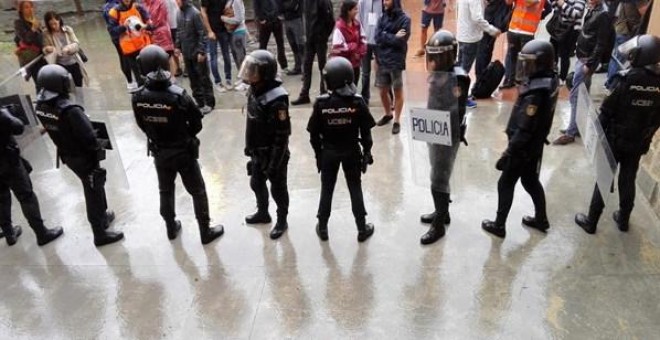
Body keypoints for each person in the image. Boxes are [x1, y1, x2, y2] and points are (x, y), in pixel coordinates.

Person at [132, 45, 225, 244]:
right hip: (183, 151)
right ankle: (204, 231)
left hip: (160, 151)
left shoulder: (138, 97)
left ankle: (170, 228)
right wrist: (184, 136)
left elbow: (142, 124)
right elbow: (197, 123)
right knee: (197, 191)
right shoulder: (178, 95)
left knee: (165, 190)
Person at [575, 34, 660, 234]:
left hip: (615, 139)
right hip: (638, 140)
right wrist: (646, 136)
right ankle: (623, 220)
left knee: (604, 178)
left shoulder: (625, 80)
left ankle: (591, 222)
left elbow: (606, 112)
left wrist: (596, 135)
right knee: (628, 178)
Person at [35, 64, 124, 247]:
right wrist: (99, 145)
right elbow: (90, 137)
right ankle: (99, 233)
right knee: (93, 191)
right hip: (84, 157)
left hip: (68, 155)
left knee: (94, 187)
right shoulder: (70, 110)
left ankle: (103, 216)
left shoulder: (41, 106)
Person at [482, 40, 559, 238]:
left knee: (505, 183)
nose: (526, 67)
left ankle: (499, 225)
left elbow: (525, 128)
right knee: (531, 181)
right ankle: (541, 219)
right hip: (534, 146)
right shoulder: (550, 80)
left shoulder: (535, 93)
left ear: (541, 64)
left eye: (531, 63)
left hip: (522, 147)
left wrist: (510, 152)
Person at [307, 56, 376, 242]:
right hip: (351, 151)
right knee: (355, 188)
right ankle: (362, 229)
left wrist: (318, 155)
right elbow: (367, 133)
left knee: (327, 189)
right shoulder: (357, 102)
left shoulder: (321, 103)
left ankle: (322, 228)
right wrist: (367, 152)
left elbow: (313, 134)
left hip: (329, 153)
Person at [418, 30, 470, 245]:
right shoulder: (440, 73)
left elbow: (453, 110)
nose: (435, 60)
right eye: (433, 56)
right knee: (437, 173)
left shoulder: (457, 77)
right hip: (435, 130)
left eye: (440, 56)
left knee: (438, 179)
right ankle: (443, 212)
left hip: (447, 133)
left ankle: (438, 226)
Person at [241, 50, 291, 240]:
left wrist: (273, 164)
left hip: (273, 153)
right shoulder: (254, 88)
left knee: (278, 189)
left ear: (266, 73)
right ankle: (263, 212)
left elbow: (282, 135)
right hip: (257, 151)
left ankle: (281, 220)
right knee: (256, 183)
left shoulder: (277, 99)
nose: (249, 73)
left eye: (253, 70)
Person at [0, 105, 63, 246]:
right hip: (7, 162)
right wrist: (7, 114)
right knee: (26, 197)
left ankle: (9, 233)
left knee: (2, 197)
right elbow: (18, 127)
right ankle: (42, 233)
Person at [552, 0, 611, 145]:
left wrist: (590, 63)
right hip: (583, 56)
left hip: (586, 60)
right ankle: (576, 126)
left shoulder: (603, 14)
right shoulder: (594, 9)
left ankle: (571, 133)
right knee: (580, 95)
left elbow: (601, 43)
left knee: (576, 95)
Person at [373, 0, 411, 135]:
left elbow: (401, 41)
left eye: (387, 0)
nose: (384, 2)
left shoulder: (405, 19)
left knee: (397, 91)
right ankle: (388, 114)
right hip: (382, 60)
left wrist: (385, 36)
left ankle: (397, 120)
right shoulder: (382, 17)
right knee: (383, 91)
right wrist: (392, 36)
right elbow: (377, 36)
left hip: (396, 62)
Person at [456, 0, 501, 108]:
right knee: (464, 72)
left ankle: (456, 95)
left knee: (459, 68)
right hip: (470, 39)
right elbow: (477, 18)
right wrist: (491, 30)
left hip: (462, 35)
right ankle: (461, 99)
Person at [290, 0, 335, 105]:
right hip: (309, 38)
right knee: (306, 66)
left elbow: (330, 21)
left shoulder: (324, 2)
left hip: (319, 38)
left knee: (322, 66)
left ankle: (323, 91)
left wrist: (324, 36)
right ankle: (304, 94)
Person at [499, 0, 551, 89]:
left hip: (514, 28)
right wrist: (541, 15)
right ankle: (523, 81)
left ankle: (509, 80)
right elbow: (549, 8)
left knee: (512, 56)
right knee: (527, 59)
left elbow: (508, 2)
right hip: (528, 31)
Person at [175, 0, 215, 115]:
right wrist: (177, 46)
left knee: (204, 79)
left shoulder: (195, 13)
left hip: (197, 54)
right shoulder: (178, 13)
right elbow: (179, 32)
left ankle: (209, 103)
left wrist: (202, 52)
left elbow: (202, 33)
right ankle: (200, 102)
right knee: (193, 80)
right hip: (187, 53)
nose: (176, 2)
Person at [42, 11, 89, 103]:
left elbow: (76, 43)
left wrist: (69, 48)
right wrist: (48, 49)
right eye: (51, 24)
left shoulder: (68, 30)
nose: (54, 26)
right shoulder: (46, 34)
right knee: (66, 89)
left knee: (78, 87)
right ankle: (70, 108)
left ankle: (81, 107)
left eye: (55, 23)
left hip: (74, 62)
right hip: (60, 65)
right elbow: (44, 49)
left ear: (59, 20)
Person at [107, 0, 153, 89]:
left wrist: (145, 26)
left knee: (147, 71)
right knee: (137, 74)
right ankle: (141, 91)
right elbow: (112, 31)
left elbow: (150, 24)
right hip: (129, 48)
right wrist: (123, 27)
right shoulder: (114, 12)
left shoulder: (138, 7)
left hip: (143, 45)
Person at [604, 0, 648, 89]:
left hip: (622, 29)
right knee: (619, 59)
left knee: (616, 58)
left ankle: (610, 83)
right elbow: (644, 11)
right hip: (626, 31)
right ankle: (612, 84)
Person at [474, 0, 514, 82]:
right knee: (484, 49)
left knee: (486, 49)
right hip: (493, 17)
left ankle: (482, 77)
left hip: (494, 17)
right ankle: (481, 78)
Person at [330, 0, 367, 86]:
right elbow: (337, 47)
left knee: (354, 86)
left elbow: (363, 40)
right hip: (343, 65)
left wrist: (359, 53)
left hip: (355, 64)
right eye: (355, 9)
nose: (357, 11)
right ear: (348, 11)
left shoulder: (357, 24)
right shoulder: (339, 27)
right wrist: (352, 47)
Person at [547, 0, 585, 84]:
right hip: (557, 27)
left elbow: (576, 14)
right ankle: (553, 72)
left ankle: (562, 78)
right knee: (552, 52)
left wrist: (563, 4)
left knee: (564, 55)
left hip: (569, 31)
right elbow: (554, 7)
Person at [14, 0, 48, 92]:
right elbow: (26, 39)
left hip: (42, 56)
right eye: (26, 7)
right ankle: (41, 105)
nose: (30, 9)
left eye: (31, 7)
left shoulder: (35, 20)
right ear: (21, 10)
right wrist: (33, 28)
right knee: (40, 83)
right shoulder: (19, 23)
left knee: (48, 80)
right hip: (31, 58)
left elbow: (42, 38)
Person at [201, 0, 234, 92]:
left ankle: (228, 79)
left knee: (226, 55)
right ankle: (217, 82)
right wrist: (209, 31)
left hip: (224, 29)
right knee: (213, 56)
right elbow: (203, 12)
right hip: (212, 30)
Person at [104, 0, 135, 88]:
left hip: (116, 37)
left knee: (122, 57)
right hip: (122, 36)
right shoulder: (114, 7)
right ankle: (130, 81)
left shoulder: (106, 6)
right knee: (126, 58)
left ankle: (130, 81)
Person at [220, 0, 250, 91]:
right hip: (233, 33)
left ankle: (246, 82)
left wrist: (223, 19)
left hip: (239, 33)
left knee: (241, 57)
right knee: (237, 57)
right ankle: (242, 78)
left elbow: (239, 19)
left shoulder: (236, 1)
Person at [357, 0, 383, 104]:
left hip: (379, 41)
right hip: (365, 41)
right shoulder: (362, 2)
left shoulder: (383, 2)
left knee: (383, 70)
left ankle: (387, 97)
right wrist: (362, 38)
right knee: (365, 72)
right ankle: (365, 97)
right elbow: (359, 20)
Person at [253, 0, 288, 72]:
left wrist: (280, 14)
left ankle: (283, 65)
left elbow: (281, 3)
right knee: (263, 45)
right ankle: (262, 66)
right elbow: (256, 5)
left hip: (276, 19)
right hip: (265, 21)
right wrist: (261, 18)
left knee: (280, 44)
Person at [143, 0, 175, 71]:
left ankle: (172, 78)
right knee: (155, 58)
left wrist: (148, 26)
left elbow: (161, 19)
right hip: (150, 35)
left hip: (162, 33)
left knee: (167, 55)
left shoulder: (160, 2)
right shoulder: (144, 4)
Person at [282, 0, 304, 75]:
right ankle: (297, 67)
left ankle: (305, 69)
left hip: (297, 19)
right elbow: (279, 6)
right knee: (293, 45)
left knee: (301, 45)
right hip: (286, 20)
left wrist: (285, 7)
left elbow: (293, 5)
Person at [165, 0, 183, 76]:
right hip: (169, 26)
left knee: (182, 46)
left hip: (177, 24)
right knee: (173, 48)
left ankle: (187, 68)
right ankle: (178, 67)